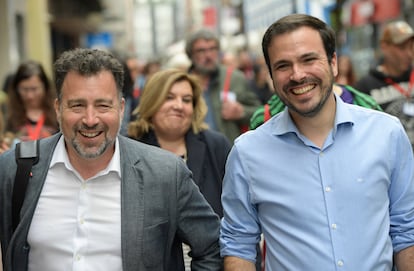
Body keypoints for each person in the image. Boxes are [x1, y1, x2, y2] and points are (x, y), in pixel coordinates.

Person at [220, 14, 414, 271]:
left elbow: (406, 230)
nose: (297, 75)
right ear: (271, 75)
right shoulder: (247, 153)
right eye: (283, 66)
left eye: (308, 59)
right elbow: (238, 244)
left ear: (333, 63)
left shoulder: (386, 133)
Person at [0, 48, 222, 271]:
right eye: (77, 105)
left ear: (121, 108)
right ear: (58, 108)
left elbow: (212, 247)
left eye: (103, 105)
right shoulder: (15, 169)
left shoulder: (165, 173)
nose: (90, 119)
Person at [128, 69, 231, 270]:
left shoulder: (216, 146)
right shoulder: (130, 149)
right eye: (169, 98)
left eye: (186, 100)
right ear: (152, 101)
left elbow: (240, 216)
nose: (179, 106)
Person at [185, 29, 261, 143]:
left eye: (213, 49)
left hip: (229, 151)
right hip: (194, 151)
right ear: (190, 54)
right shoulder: (183, 83)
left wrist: (241, 112)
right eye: (201, 51)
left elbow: (260, 112)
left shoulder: (235, 78)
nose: (208, 55)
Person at [354, 20, 414, 147]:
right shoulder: (365, 87)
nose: (409, 54)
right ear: (384, 47)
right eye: (402, 48)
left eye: (411, 47)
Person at [5, 60, 59, 143]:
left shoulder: (57, 111)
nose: (30, 96)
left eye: (34, 89)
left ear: (45, 87)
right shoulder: (9, 114)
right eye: (24, 89)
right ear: (16, 89)